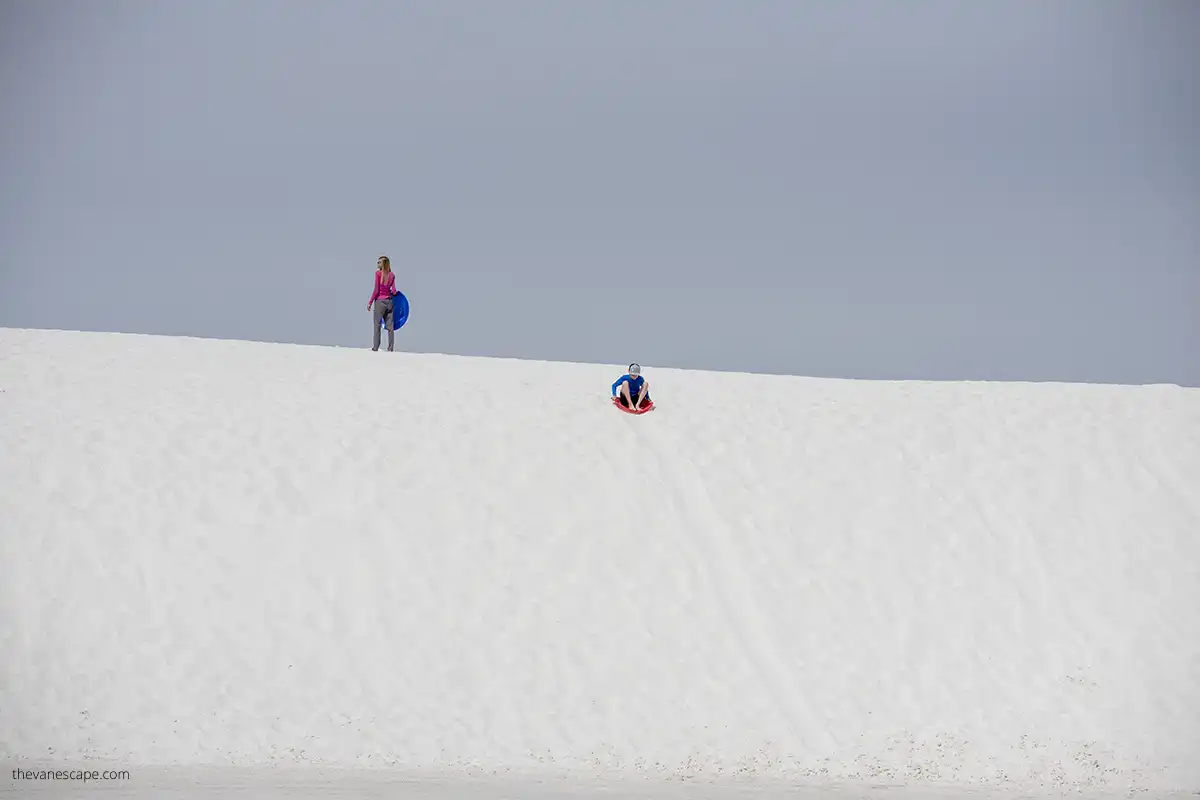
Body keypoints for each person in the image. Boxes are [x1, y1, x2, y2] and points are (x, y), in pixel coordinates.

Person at [367, 255, 397, 351]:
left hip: (380, 302)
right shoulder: (392, 275)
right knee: (390, 326)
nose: (377, 263)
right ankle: (391, 347)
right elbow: (394, 290)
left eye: (379, 262)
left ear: (383, 264)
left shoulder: (378, 274)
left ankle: (376, 347)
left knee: (377, 324)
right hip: (389, 302)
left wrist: (370, 302)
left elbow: (376, 290)